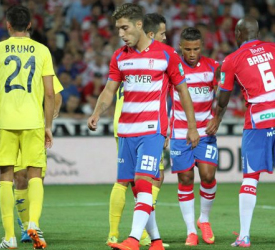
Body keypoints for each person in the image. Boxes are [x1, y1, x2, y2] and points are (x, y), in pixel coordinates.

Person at [87, 4, 199, 250]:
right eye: (118, 29)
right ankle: (156, 241)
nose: (121, 34)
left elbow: (182, 90)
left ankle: (133, 239)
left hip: (152, 129)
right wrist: (97, 112)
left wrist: (192, 127)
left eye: (124, 28)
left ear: (139, 26)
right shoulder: (120, 56)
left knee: (143, 182)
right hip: (126, 130)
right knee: (136, 187)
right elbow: (109, 90)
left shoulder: (166, 54)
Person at [206, 17, 275, 247]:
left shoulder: (232, 59)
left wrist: (217, 118)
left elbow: (223, 99)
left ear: (239, 33)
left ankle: (244, 236)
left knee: (250, 177)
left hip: (259, 121)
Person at [0, 5, 55, 249]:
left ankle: (9, 237)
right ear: (29, 25)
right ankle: (33, 223)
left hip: (5, 122)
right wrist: (48, 125)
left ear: (8, 25)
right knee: (35, 175)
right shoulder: (42, 51)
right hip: (33, 122)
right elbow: (50, 94)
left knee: (6, 178)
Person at [106, 12, 169, 248]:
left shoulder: (158, 57)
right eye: (162, 34)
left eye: (124, 28)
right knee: (145, 180)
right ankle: (137, 235)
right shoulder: (135, 56)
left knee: (134, 181)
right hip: (135, 126)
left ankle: (147, 238)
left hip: (131, 125)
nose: (165, 37)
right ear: (150, 33)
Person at [0, 74, 63, 244]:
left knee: (37, 177)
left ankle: (32, 225)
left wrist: (51, 112)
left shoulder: (37, 60)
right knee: (20, 177)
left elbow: (55, 93)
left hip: (33, 126)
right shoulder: (4, 64)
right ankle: (26, 226)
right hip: (10, 126)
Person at [170, 27, 219, 246]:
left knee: (208, 176)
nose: (192, 53)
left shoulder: (212, 67)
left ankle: (204, 220)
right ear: (180, 47)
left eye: (196, 49)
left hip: (205, 132)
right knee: (186, 178)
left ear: (202, 47)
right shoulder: (173, 67)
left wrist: (216, 117)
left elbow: (224, 94)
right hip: (180, 132)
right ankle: (191, 230)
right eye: (188, 49)